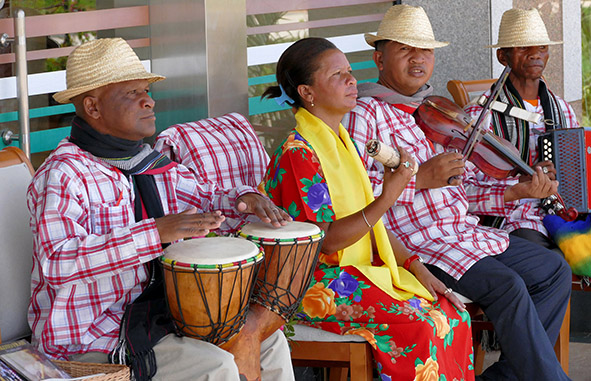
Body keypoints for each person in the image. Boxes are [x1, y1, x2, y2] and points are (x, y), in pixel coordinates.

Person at [27, 38, 294, 381]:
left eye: (147, 90)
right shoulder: (64, 174)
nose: (149, 100)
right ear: (93, 107)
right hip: (91, 334)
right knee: (215, 366)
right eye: (131, 93)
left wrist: (244, 199)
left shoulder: (145, 162)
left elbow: (202, 195)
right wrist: (155, 232)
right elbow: (58, 262)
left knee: (269, 341)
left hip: (154, 315)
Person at [343, 5, 572, 381]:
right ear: (379, 59)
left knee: (553, 270)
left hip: (463, 233)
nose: (419, 59)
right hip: (417, 242)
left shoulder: (427, 112)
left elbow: (462, 191)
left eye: (426, 51)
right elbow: (354, 195)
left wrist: (515, 190)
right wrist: (420, 179)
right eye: (406, 50)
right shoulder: (365, 115)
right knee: (508, 286)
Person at [259, 37, 474, 381]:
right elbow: (326, 242)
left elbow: (372, 227)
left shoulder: (344, 140)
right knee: (421, 324)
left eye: (349, 71)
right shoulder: (298, 154)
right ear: (307, 92)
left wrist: (418, 268)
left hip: (352, 273)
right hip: (310, 284)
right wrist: (387, 197)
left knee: (452, 312)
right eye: (337, 75)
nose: (351, 80)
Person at [464, 7, 579, 249]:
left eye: (542, 48)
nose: (535, 54)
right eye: (524, 47)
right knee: (550, 263)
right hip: (516, 221)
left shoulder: (562, 109)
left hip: (568, 216)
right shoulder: (481, 115)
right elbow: (463, 192)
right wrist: (519, 184)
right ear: (502, 57)